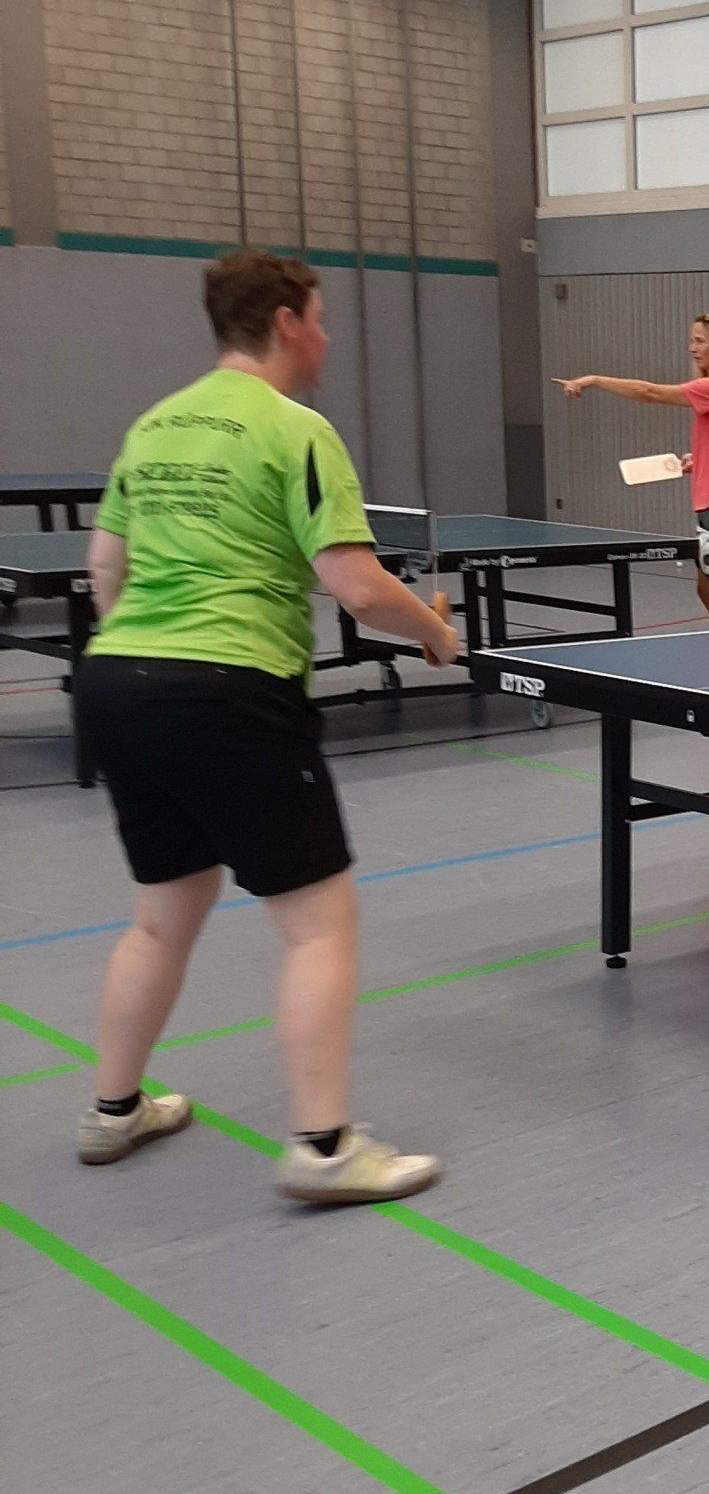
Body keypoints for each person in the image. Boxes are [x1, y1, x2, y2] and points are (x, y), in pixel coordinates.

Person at [73, 248, 460, 1201]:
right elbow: (356, 586)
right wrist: (434, 631)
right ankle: (324, 1148)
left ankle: (114, 1109)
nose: (325, 338)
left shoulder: (154, 425)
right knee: (321, 926)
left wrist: (147, 659)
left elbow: (104, 569)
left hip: (117, 681)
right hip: (228, 687)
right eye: (319, 320)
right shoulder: (297, 429)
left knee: (163, 915)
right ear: (287, 322)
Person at [553, 312, 709, 629]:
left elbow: (648, 392)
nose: (692, 347)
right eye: (691, 340)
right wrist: (703, 460)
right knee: (708, 592)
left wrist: (593, 380)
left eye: (700, 341)